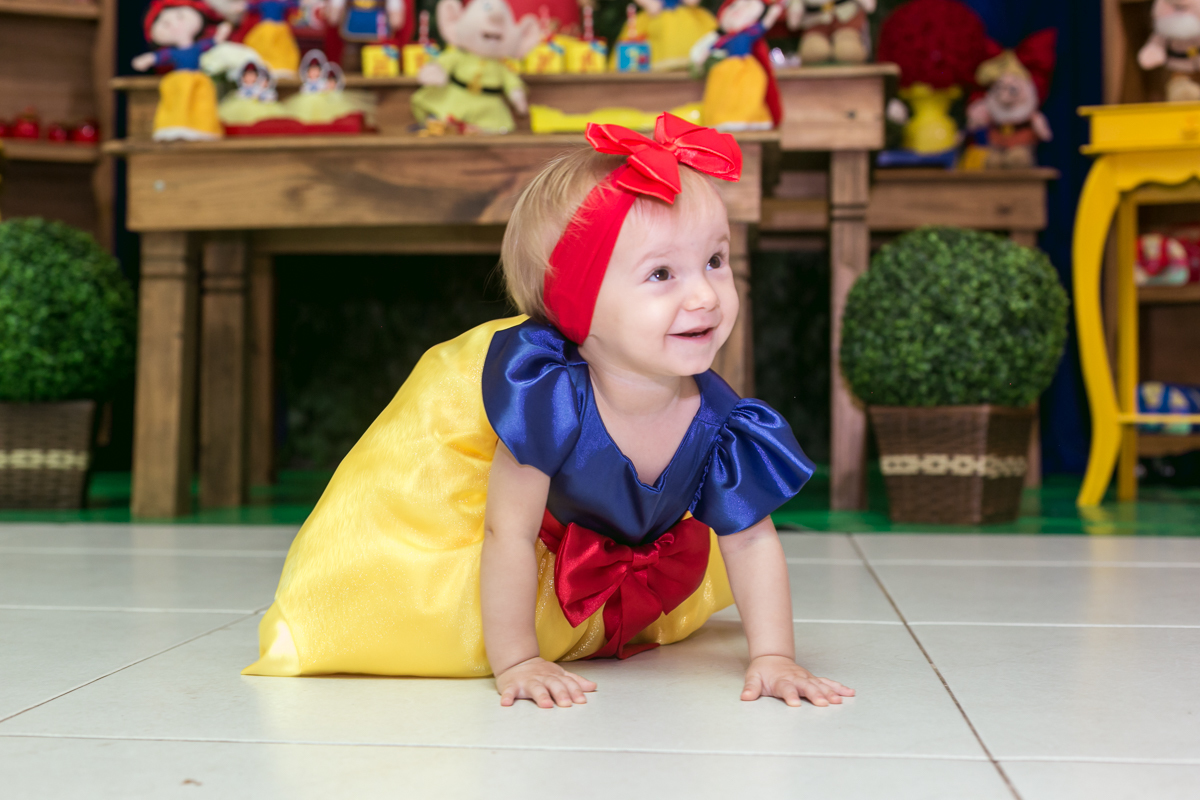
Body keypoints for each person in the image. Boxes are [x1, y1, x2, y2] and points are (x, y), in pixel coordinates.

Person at [244, 113, 855, 711]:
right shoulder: (548, 394)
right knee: (434, 610)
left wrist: (772, 655)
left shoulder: (723, 425)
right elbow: (505, 532)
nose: (704, 295)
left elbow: (749, 543)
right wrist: (517, 659)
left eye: (715, 262)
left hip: (616, 555)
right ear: (577, 306)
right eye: (662, 273)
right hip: (527, 558)